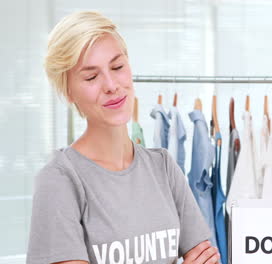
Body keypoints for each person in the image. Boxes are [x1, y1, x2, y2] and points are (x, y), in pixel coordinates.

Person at [26, 11, 220, 264]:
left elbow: (206, 258)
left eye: (117, 67)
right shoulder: (60, 180)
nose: (111, 85)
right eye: (91, 76)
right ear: (69, 91)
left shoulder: (163, 167)